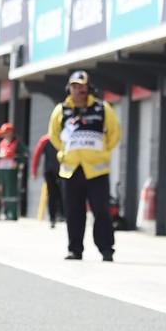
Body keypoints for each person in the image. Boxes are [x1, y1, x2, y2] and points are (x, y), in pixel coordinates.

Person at [48, 70, 121, 262]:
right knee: (73, 212)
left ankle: (106, 249)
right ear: (69, 88)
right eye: (74, 86)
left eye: (81, 86)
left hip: (96, 170)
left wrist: (103, 152)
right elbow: (54, 135)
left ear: (89, 88)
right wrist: (64, 152)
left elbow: (114, 134)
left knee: (102, 211)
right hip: (70, 170)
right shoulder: (61, 110)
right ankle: (75, 249)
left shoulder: (102, 108)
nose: (77, 90)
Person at [0, 122, 27, 221]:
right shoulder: (2, 143)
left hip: (11, 170)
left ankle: (12, 214)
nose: (4, 134)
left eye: (6, 132)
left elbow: (25, 155)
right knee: (3, 191)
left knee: (11, 192)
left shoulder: (17, 143)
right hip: (2, 170)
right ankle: (5, 212)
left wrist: (17, 161)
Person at [31, 133, 63, 228]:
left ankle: (62, 215)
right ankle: (52, 218)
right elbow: (37, 155)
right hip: (49, 171)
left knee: (63, 193)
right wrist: (34, 171)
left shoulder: (64, 137)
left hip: (63, 170)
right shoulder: (45, 139)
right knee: (52, 194)